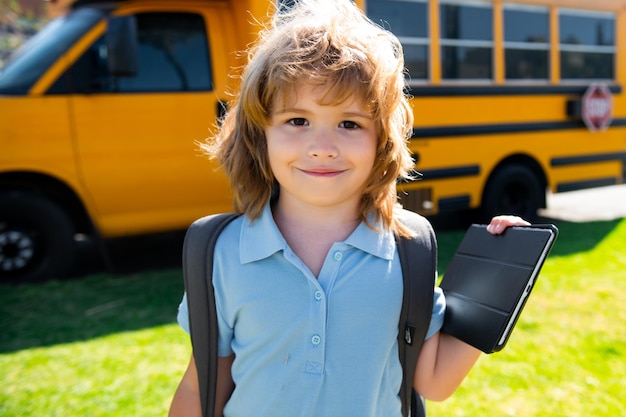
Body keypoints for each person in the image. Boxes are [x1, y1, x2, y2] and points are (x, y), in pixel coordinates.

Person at [168, 1, 530, 416]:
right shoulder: (224, 252)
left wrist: (499, 278)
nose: (322, 148)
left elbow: (434, 380)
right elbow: (201, 388)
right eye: (297, 121)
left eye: (350, 124)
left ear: (383, 140)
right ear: (259, 134)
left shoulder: (406, 251)